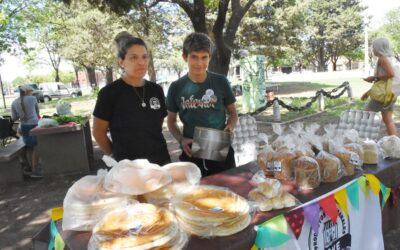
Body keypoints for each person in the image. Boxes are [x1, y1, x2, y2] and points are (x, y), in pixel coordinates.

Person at [93, 31, 171, 165]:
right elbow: (98, 132)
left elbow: (157, 125)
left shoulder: (156, 90)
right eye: (134, 57)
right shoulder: (109, 93)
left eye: (144, 57)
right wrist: (114, 154)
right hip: (127, 167)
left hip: (160, 162)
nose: (141, 62)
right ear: (121, 61)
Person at [166, 32, 238, 177]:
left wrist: (228, 129)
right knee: (196, 196)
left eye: (204, 57)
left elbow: (233, 113)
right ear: (185, 57)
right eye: (194, 57)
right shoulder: (176, 87)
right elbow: (171, 121)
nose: (199, 63)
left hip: (220, 148)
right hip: (192, 152)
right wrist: (181, 139)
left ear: (209, 58)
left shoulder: (221, 81)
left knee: (226, 193)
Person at [361, 37, 397, 135]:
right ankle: (394, 143)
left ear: (379, 48)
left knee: (364, 116)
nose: (373, 50)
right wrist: (368, 93)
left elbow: (390, 74)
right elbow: (383, 83)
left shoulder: (382, 59)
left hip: (382, 96)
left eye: (374, 48)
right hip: (390, 95)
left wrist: (373, 77)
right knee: (388, 120)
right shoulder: (391, 59)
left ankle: (362, 141)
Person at [11, 84, 42, 178]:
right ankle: (35, 170)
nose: (32, 92)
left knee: (29, 147)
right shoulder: (32, 99)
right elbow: (37, 113)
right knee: (36, 147)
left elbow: (14, 118)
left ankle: (31, 169)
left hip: (24, 126)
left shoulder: (14, 102)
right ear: (27, 91)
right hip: (34, 125)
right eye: (31, 91)